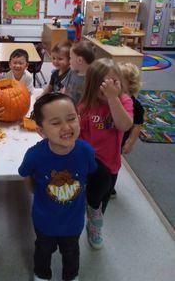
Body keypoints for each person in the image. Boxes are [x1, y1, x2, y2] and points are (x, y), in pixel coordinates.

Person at [19, 93, 97, 281]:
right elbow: (26, 176)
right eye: (55, 123)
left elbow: (88, 177)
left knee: (71, 252)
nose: (66, 127)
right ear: (41, 130)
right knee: (43, 250)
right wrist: (35, 192)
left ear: (78, 119)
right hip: (44, 220)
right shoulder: (35, 155)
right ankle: (41, 275)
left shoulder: (86, 151)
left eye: (71, 119)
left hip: (74, 220)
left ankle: (71, 276)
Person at [78, 58, 133, 250]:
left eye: (115, 82)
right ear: (94, 84)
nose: (111, 87)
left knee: (104, 197)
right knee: (96, 194)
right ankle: (93, 215)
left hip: (112, 162)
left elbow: (124, 125)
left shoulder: (123, 101)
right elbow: (80, 136)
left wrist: (113, 98)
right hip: (91, 161)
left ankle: (94, 223)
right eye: (105, 84)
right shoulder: (86, 105)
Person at [110, 62, 145, 198]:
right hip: (108, 135)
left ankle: (110, 188)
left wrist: (130, 142)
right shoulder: (112, 98)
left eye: (116, 80)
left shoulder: (136, 106)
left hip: (121, 140)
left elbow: (137, 125)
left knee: (114, 163)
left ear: (129, 84)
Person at [61, 40, 95, 105]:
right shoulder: (71, 71)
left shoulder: (91, 79)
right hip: (67, 105)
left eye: (70, 58)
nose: (69, 61)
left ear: (79, 60)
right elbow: (65, 87)